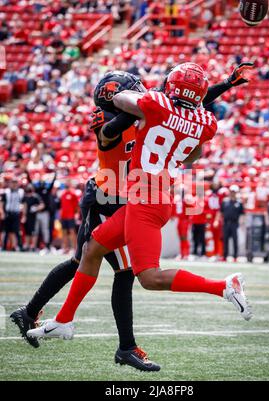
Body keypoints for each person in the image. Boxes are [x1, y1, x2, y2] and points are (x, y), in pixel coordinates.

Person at [27, 63, 253, 353]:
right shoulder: (206, 122)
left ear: (170, 87)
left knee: (149, 278)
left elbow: (122, 100)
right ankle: (63, 320)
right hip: (156, 195)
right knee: (92, 248)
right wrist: (222, 86)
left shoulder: (155, 104)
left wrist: (130, 99)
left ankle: (224, 285)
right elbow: (193, 152)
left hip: (145, 199)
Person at [11, 71, 161, 372]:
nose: (138, 94)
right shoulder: (109, 121)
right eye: (130, 92)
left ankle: (28, 312)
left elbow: (168, 109)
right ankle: (126, 347)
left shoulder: (130, 114)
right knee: (123, 271)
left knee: (80, 261)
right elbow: (133, 118)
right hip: (107, 201)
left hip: (110, 198)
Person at [220, 185, 244, 262]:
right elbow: (221, 212)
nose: (232, 193)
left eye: (234, 192)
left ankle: (235, 256)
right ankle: (224, 256)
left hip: (234, 223)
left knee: (235, 240)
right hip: (226, 223)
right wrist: (219, 221)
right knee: (225, 240)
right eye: (231, 192)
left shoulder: (239, 203)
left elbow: (242, 214)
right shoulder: (225, 201)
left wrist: (241, 223)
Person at [0, 178, 24, 251]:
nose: (14, 184)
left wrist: (23, 213)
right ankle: (4, 246)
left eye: (15, 182)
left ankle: (17, 246)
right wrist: (2, 212)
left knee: (16, 231)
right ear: (10, 183)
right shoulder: (6, 192)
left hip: (16, 213)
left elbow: (23, 203)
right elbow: (2, 203)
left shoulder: (20, 192)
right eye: (13, 182)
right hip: (7, 213)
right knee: (6, 231)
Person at [22, 184, 45, 252]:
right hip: (28, 216)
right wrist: (24, 216)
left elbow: (42, 205)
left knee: (34, 232)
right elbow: (24, 206)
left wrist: (36, 208)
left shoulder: (36, 197)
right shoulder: (25, 197)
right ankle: (27, 245)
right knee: (27, 232)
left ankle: (33, 246)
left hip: (35, 217)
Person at [60, 181, 79, 253]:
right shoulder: (63, 194)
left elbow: (77, 206)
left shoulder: (73, 194)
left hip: (71, 216)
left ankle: (74, 249)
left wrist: (76, 214)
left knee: (72, 232)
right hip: (63, 216)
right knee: (64, 233)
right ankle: (65, 248)